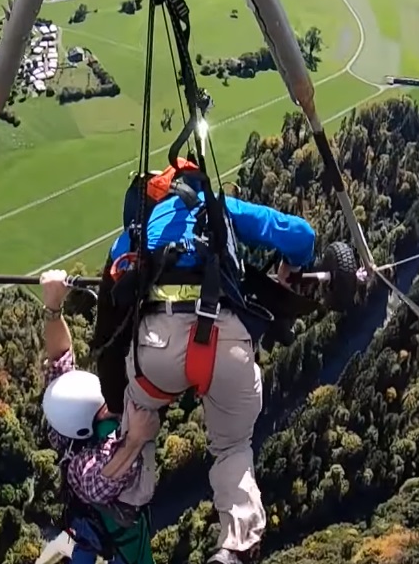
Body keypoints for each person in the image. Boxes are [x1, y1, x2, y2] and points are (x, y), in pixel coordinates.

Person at [96, 158, 317, 564]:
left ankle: (128, 500)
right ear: (197, 185)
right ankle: (235, 545)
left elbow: (107, 326)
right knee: (233, 445)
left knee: (139, 411)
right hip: (224, 341)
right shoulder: (219, 209)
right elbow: (301, 234)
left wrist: (116, 397)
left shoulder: (136, 233)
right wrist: (293, 268)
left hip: (156, 347)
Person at [40, 269, 161, 564]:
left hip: (93, 528)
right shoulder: (85, 467)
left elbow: (60, 358)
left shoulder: (66, 410)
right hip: (115, 538)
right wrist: (134, 441)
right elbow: (100, 483)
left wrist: (53, 308)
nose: (108, 408)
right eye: (103, 408)